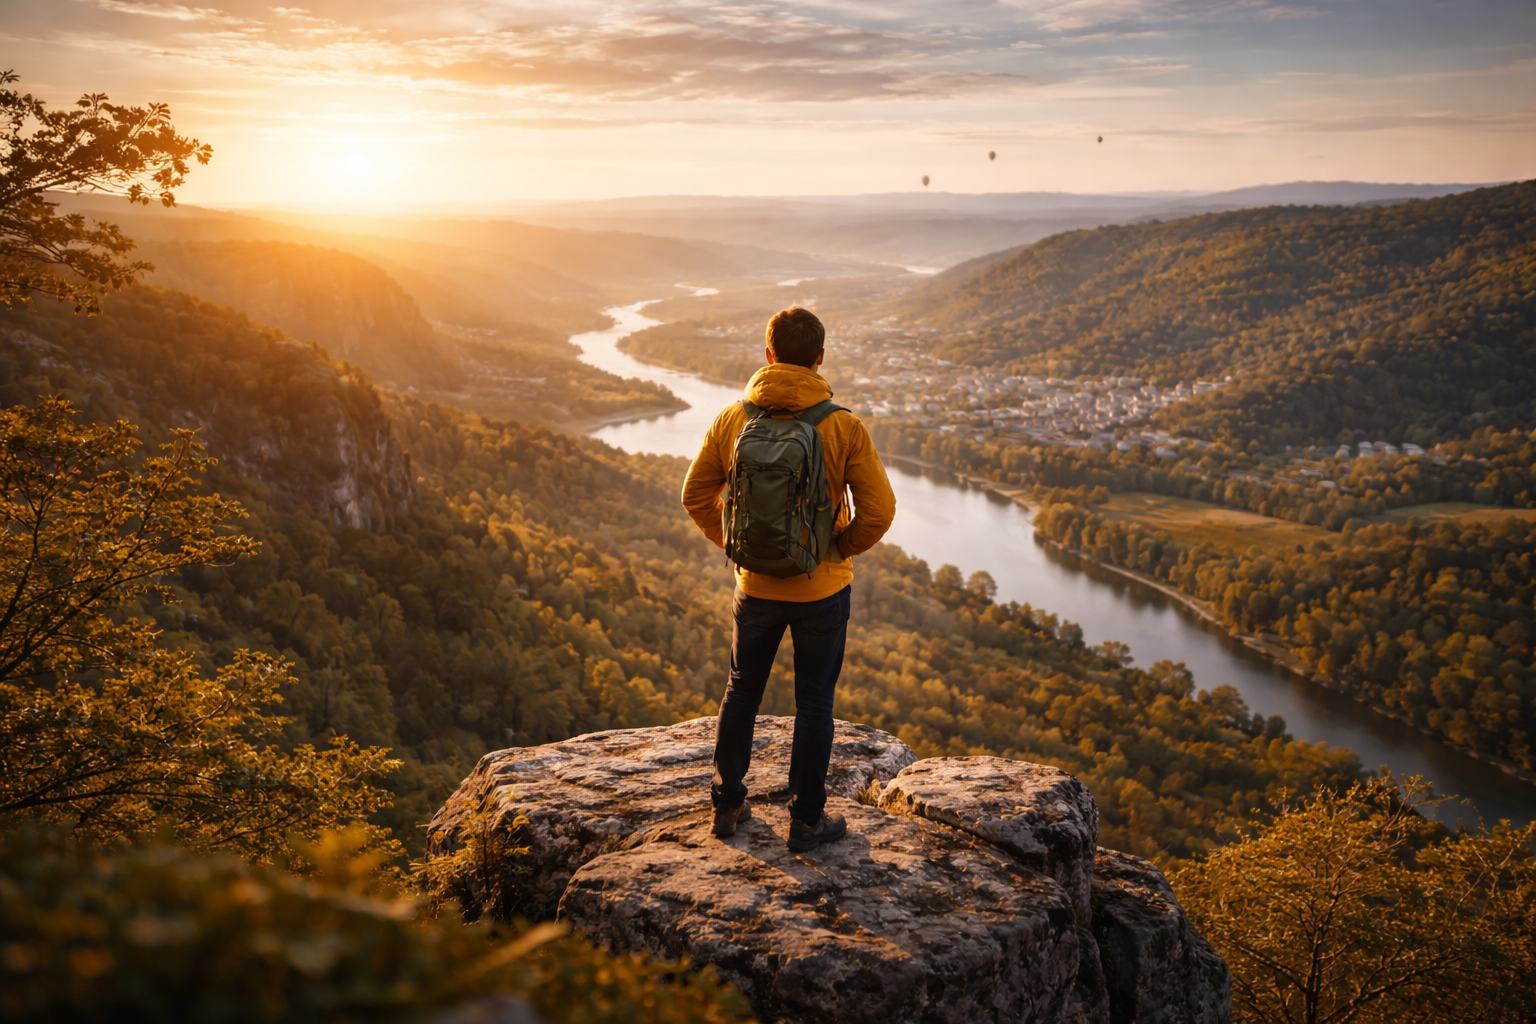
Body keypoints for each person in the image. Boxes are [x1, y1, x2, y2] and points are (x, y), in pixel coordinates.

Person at [681, 306, 896, 852]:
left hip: (754, 588)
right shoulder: (841, 424)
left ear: (768, 353)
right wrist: (836, 549)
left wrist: (734, 546)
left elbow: (695, 496)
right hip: (822, 590)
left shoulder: (735, 419)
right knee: (815, 703)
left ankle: (727, 805)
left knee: (742, 690)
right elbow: (880, 511)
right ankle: (806, 821)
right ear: (820, 357)